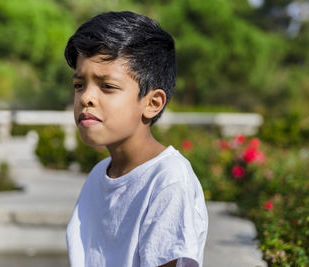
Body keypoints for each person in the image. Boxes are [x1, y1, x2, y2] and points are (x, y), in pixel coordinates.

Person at [64, 11, 208, 267]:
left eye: (107, 86)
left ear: (152, 103)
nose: (86, 97)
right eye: (79, 85)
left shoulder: (167, 181)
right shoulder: (99, 175)